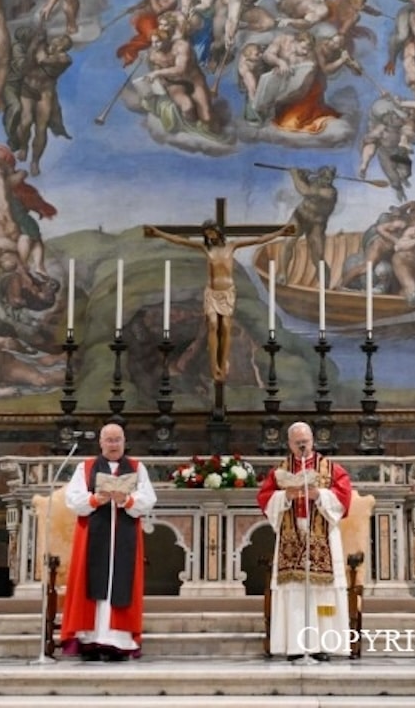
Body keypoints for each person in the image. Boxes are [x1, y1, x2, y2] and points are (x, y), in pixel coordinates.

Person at [143, 218, 294, 382]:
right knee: (213, 327)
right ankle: (215, 363)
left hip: (227, 293)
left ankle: (222, 362)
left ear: (218, 232)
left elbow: (257, 239)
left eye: (212, 233)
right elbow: (180, 240)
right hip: (212, 293)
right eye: (207, 235)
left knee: (225, 328)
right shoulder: (206, 249)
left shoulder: (231, 247)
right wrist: (159, 233)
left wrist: (280, 233)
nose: (211, 237)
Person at [59, 423, 157, 661]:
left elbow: (148, 498)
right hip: (93, 535)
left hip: (125, 536)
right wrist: (95, 499)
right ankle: (90, 640)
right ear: (101, 442)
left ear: (124, 441)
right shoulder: (86, 467)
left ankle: (119, 641)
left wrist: (127, 500)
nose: (113, 445)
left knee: (120, 583)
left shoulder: (136, 467)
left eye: (117, 440)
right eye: (109, 440)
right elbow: (73, 499)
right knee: (91, 583)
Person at [257, 421, 352, 661]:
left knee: (323, 592)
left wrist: (320, 494)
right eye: (297, 442)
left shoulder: (331, 468)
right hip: (292, 534)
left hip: (323, 537)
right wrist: (285, 496)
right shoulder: (280, 469)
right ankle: (295, 646)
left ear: (312, 441)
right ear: (289, 443)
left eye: (305, 441)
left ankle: (322, 645)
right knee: (294, 591)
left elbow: (344, 498)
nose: (302, 445)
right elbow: (265, 498)